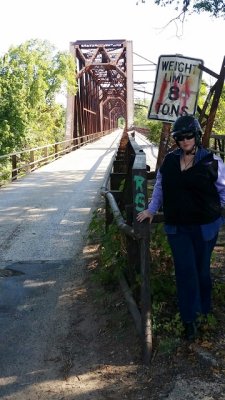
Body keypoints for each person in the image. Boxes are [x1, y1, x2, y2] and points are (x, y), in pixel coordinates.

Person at [137, 115, 225, 341]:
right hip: (178, 227)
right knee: (186, 271)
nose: (185, 140)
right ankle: (190, 320)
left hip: (205, 227)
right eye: (180, 137)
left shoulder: (211, 161)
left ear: (196, 136)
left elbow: (223, 190)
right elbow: (160, 186)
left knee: (202, 270)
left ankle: (205, 309)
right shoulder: (169, 161)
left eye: (188, 136)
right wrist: (151, 209)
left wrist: (217, 212)